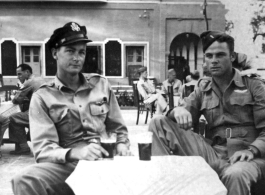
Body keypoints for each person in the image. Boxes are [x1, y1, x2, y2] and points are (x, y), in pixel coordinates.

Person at [12, 22, 131, 195]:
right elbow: (43, 149)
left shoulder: (101, 85)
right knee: (24, 180)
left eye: (81, 52)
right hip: (69, 165)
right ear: (55, 53)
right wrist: (76, 153)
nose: (77, 58)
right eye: (70, 51)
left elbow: (119, 129)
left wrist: (121, 145)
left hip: (107, 157)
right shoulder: (43, 96)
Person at [149, 30, 265, 195]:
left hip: (249, 155)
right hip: (214, 153)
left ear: (232, 57)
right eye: (209, 56)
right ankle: (167, 183)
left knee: (235, 175)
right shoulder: (203, 87)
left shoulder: (254, 85)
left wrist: (251, 150)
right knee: (158, 123)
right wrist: (177, 111)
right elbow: (183, 113)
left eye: (220, 55)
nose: (214, 61)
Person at [9, 63, 46, 155]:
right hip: (46, 112)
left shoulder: (29, 82)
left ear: (27, 72)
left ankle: (23, 147)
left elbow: (16, 100)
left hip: (39, 114)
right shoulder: (39, 79)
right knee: (19, 116)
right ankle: (23, 145)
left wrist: (15, 96)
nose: (18, 77)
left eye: (19, 74)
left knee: (13, 118)